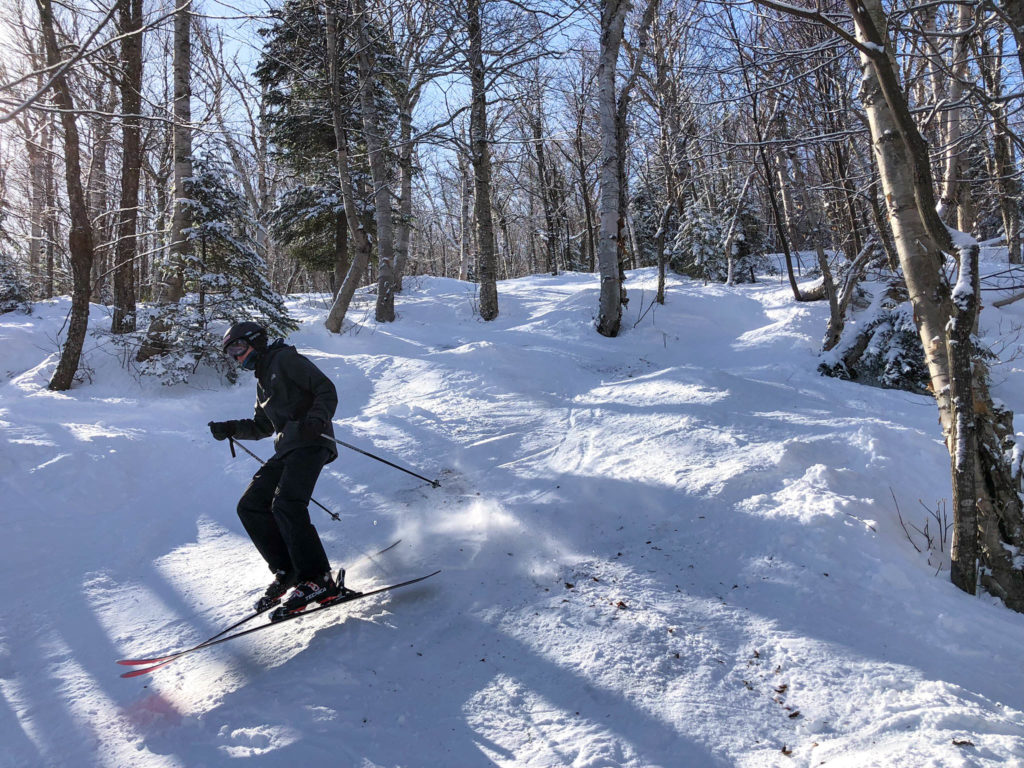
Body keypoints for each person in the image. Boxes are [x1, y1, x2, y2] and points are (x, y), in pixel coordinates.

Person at [208, 321, 342, 620]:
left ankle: (318, 578)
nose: (237, 357)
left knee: (286, 504)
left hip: (310, 441)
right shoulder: (263, 379)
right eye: (231, 353)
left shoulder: (285, 359)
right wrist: (231, 428)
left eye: (239, 348)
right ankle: (288, 570)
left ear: (256, 341)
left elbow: (325, 389)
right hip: (288, 449)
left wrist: (317, 420)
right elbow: (263, 426)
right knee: (251, 506)